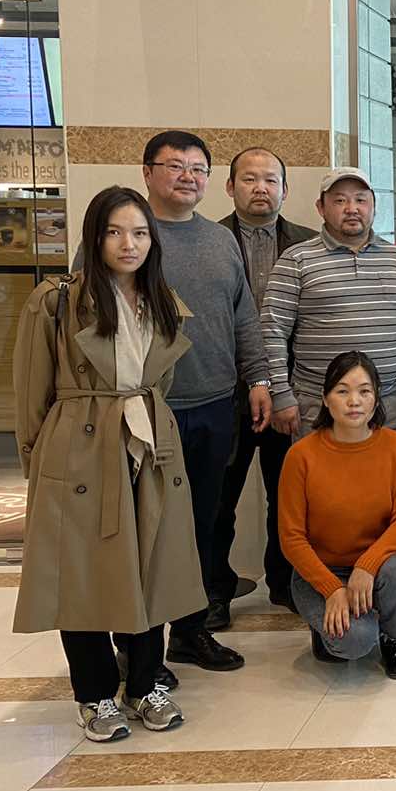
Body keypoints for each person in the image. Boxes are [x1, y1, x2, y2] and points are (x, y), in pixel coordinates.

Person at [13, 186, 201, 741]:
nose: (128, 244)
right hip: (78, 448)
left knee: (151, 566)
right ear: (94, 238)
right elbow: (31, 392)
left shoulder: (161, 300)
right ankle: (94, 694)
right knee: (82, 573)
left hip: (148, 444)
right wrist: (37, 463)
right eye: (115, 232)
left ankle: (144, 684)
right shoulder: (56, 301)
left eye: (140, 233)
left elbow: (160, 381)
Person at [129, 130, 268, 674]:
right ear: (147, 172)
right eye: (174, 166)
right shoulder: (128, 235)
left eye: (197, 168)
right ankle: (136, 646)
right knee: (145, 531)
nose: (187, 176)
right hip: (145, 410)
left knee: (202, 523)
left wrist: (257, 379)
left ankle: (190, 633)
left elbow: (243, 317)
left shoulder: (221, 240)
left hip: (214, 404)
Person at [215, 147, 316, 617]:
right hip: (225, 393)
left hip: (287, 394)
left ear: (285, 190)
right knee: (219, 499)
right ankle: (213, 592)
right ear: (229, 186)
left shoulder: (308, 244)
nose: (261, 188)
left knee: (289, 498)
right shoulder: (211, 241)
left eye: (271, 180)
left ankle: (285, 584)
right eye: (249, 179)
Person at [277, 351, 396, 679]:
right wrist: (331, 588)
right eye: (342, 391)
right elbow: (291, 538)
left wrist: (366, 567)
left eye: (364, 391)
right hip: (319, 572)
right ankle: (332, 625)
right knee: (355, 641)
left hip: (376, 567)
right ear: (326, 399)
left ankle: (393, 636)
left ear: (376, 399)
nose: (354, 401)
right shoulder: (301, 455)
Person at [263, 168, 396, 440]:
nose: (352, 208)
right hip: (317, 404)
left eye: (360, 200)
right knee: (320, 470)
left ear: (374, 207)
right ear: (321, 208)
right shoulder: (296, 259)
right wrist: (280, 393)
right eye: (339, 200)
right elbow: (272, 330)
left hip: (390, 401)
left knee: (391, 468)